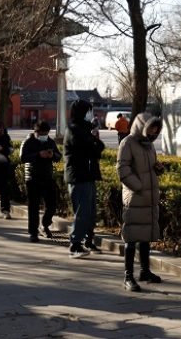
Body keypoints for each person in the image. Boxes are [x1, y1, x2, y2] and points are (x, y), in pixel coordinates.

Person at [117, 112, 167, 292]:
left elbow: (148, 166)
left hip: (149, 197)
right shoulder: (127, 143)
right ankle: (128, 276)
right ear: (141, 127)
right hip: (135, 197)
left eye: (156, 130)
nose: (153, 133)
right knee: (131, 237)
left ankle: (145, 271)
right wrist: (138, 186)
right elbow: (123, 169)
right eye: (151, 129)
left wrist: (157, 168)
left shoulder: (149, 146)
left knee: (145, 236)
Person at [64, 99, 105, 258]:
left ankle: (88, 240)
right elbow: (90, 150)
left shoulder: (85, 130)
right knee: (82, 211)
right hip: (78, 176)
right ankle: (75, 245)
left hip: (88, 175)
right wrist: (93, 141)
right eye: (88, 111)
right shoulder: (74, 130)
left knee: (91, 211)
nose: (91, 115)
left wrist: (94, 140)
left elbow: (99, 147)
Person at [21, 121, 62, 242]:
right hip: (32, 178)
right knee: (33, 207)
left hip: (47, 177)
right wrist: (38, 155)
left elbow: (59, 156)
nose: (44, 135)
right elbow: (23, 158)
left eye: (46, 133)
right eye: (41, 133)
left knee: (52, 204)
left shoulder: (50, 141)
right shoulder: (28, 142)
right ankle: (33, 232)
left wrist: (52, 155)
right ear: (36, 132)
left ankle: (45, 224)